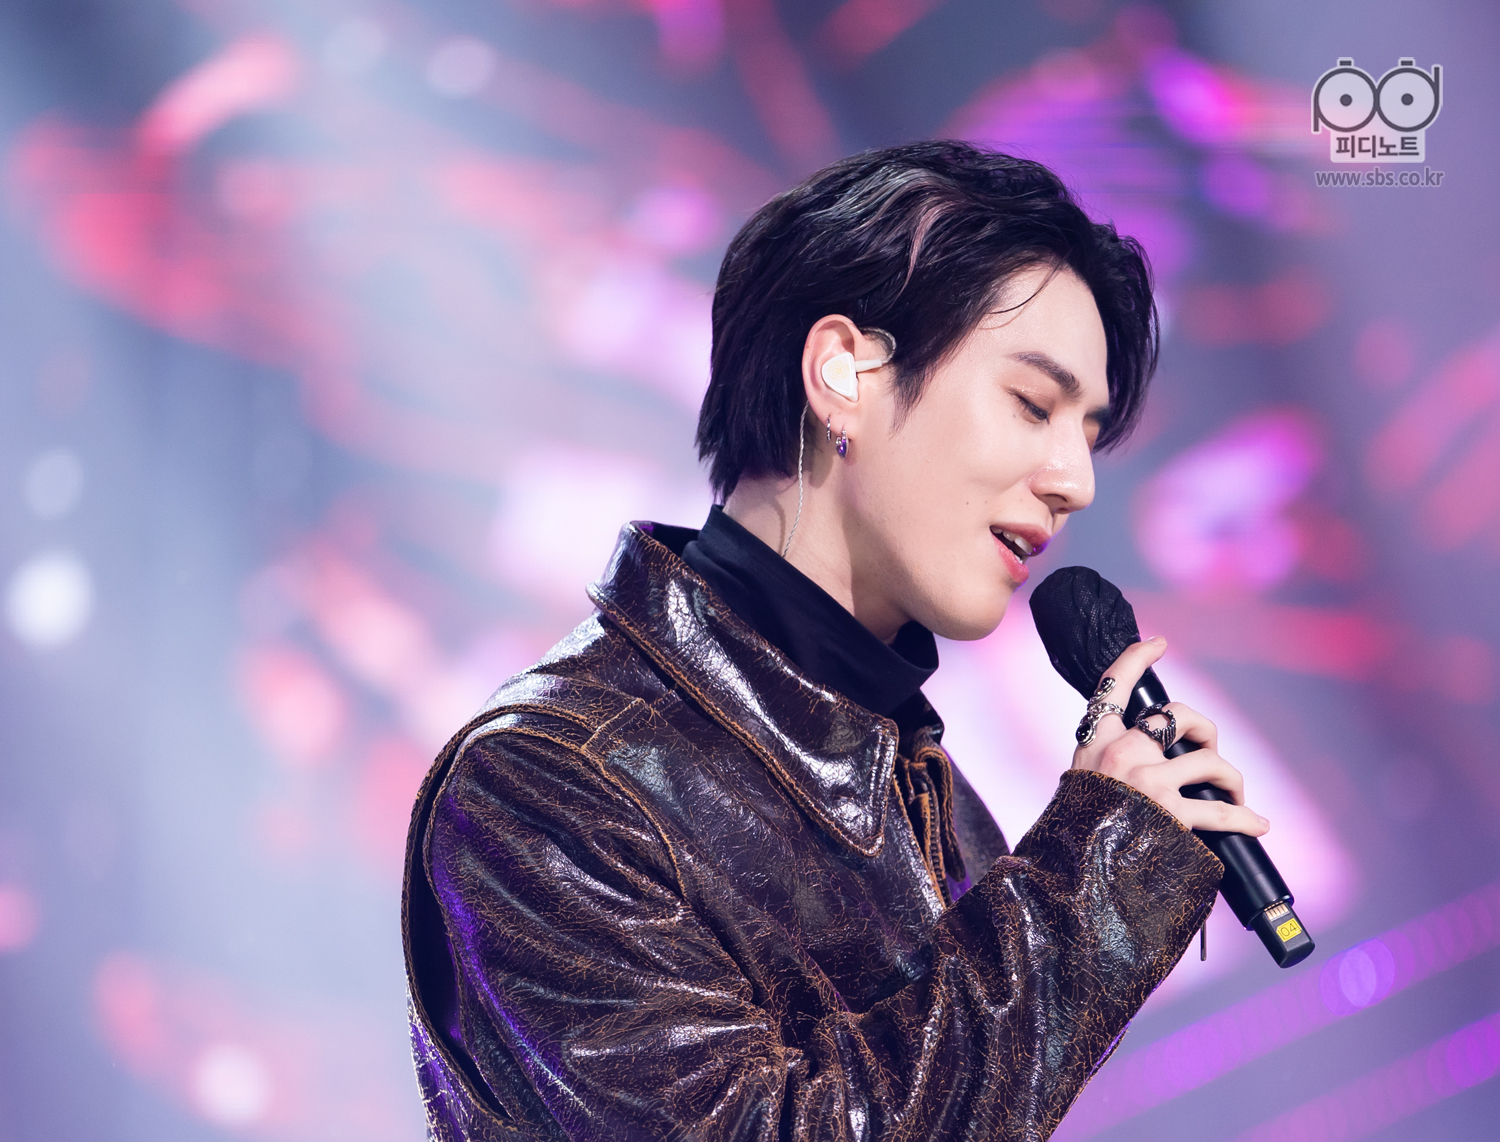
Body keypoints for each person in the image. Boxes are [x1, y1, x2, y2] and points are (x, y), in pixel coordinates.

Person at [401, 140, 1269, 1142]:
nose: (1074, 479)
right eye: (1033, 405)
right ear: (842, 373)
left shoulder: (925, 788)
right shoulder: (553, 780)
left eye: (1087, 430)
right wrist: (1087, 891)